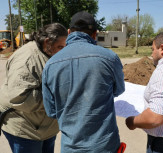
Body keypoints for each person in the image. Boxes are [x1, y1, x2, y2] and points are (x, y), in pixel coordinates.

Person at [42, 11, 125, 153]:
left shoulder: (50, 65)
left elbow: (51, 111)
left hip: (71, 147)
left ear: (69, 32)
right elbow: (119, 90)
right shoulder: (110, 57)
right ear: (94, 34)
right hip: (105, 145)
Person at [0, 23, 68, 153]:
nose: (63, 50)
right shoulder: (27, 59)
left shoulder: (48, 53)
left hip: (44, 128)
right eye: (60, 46)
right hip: (25, 130)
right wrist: (59, 97)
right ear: (47, 42)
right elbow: (20, 98)